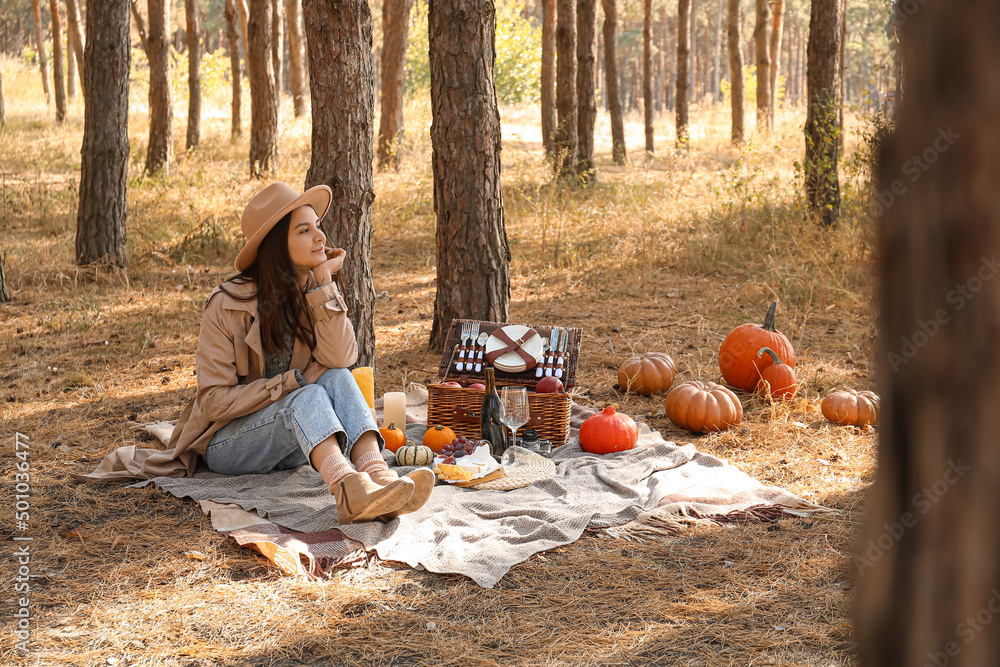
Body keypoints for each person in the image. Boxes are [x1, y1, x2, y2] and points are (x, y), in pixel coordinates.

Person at [79, 183, 434, 524]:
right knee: (307, 392)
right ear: (277, 243)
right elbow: (214, 401)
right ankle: (346, 491)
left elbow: (342, 358)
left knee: (337, 376)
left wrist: (326, 283)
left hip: (299, 439)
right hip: (228, 444)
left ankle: (378, 478)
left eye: (318, 227)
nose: (320, 237)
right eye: (304, 230)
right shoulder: (226, 305)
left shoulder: (312, 291)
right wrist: (290, 383)